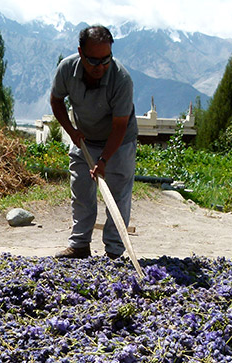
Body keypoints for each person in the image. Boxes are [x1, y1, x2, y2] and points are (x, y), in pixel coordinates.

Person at [50, 25, 138, 260]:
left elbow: (120, 126)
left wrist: (104, 160)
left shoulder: (121, 79)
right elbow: (56, 101)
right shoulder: (67, 69)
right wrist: (71, 131)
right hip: (84, 141)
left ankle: (114, 252)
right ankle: (79, 245)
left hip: (118, 143)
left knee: (118, 196)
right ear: (81, 53)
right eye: (93, 60)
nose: (100, 67)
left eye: (105, 60)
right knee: (80, 191)